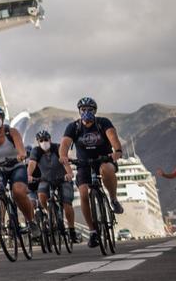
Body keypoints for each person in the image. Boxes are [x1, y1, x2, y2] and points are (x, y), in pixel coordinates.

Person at [59, 96, 124, 249]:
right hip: (83, 163)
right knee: (83, 193)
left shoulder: (103, 123)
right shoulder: (73, 127)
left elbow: (112, 136)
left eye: (90, 109)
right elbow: (65, 144)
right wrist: (63, 156)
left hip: (104, 158)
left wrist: (117, 151)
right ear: (79, 111)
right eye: (83, 109)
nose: (86, 112)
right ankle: (93, 231)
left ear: (95, 111)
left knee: (106, 169)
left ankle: (113, 199)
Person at [29, 130, 79, 243]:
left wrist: (69, 173)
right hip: (45, 179)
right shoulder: (36, 151)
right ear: (38, 142)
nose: (44, 142)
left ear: (50, 139)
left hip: (62, 178)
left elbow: (64, 160)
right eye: (41, 141)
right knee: (41, 195)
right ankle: (51, 212)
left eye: (46, 139)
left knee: (67, 203)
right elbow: (32, 163)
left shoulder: (57, 147)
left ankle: (72, 231)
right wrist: (28, 175)